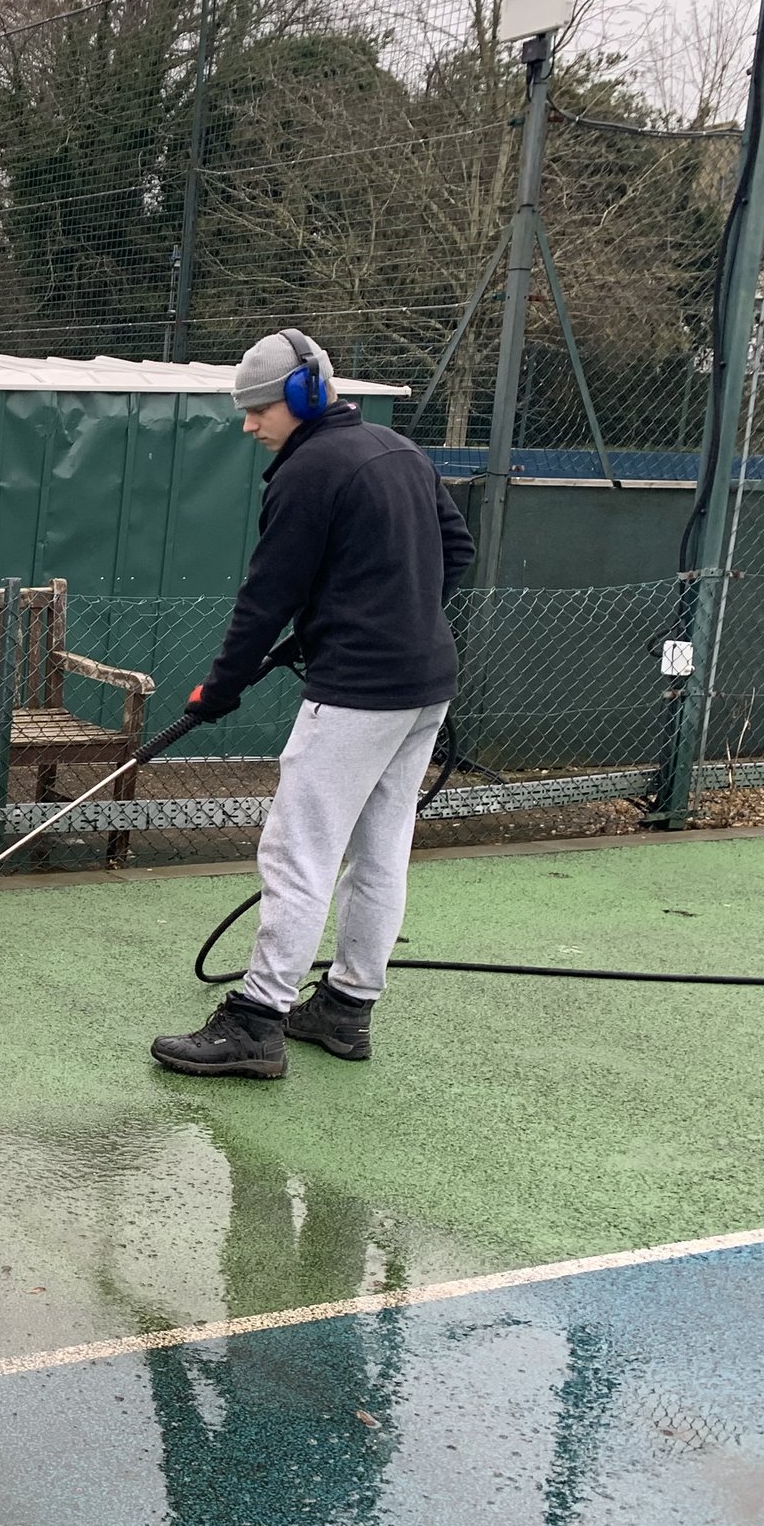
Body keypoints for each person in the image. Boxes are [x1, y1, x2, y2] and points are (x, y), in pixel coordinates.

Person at [151, 330, 474, 1079]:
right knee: (381, 849)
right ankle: (346, 1007)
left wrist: (219, 689)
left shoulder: (307, 474)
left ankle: (257, 1021)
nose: (249, 425)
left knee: (300, 850)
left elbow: (266, 600)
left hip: (359, 693)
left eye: (259, 409)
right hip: (425, 686)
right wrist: (395, 620)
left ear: (301, 396)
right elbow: (456, 553)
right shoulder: (401, 452)